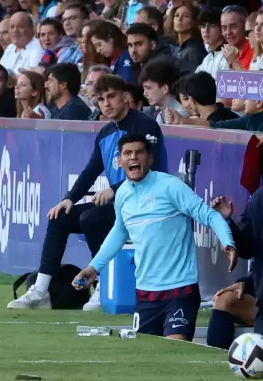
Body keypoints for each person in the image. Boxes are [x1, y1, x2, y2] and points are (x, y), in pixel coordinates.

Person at [9, 75, 168, 311]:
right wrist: (68, 199)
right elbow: (91, 170)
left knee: (91, 218)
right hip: (120, 203)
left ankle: (102, 285)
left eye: (112, 96)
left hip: (146, 202)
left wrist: (114, 190)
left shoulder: (145, 126)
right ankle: (41, 290)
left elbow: (151, 171)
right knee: (59, 216)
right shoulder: (105, 133)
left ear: (125, 97)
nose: (106, 103)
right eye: (101, 99)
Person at [73, 134, 235, 341]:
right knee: (147, 355)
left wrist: (228, 241)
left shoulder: (170, 187)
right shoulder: (122, 194)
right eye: (127, 153)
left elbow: (209, 214)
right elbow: (120, 232)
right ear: (119, 161)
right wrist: (93, 268)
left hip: (180, 289)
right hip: (145, 292)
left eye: (139, 152)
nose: (134, 157)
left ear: (149, 158)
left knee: (175, 347)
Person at [206, 188, 263, 349]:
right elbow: (248, 248)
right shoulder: (262, 197)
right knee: (224, 299)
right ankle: (215, 365)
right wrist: (227, 222)